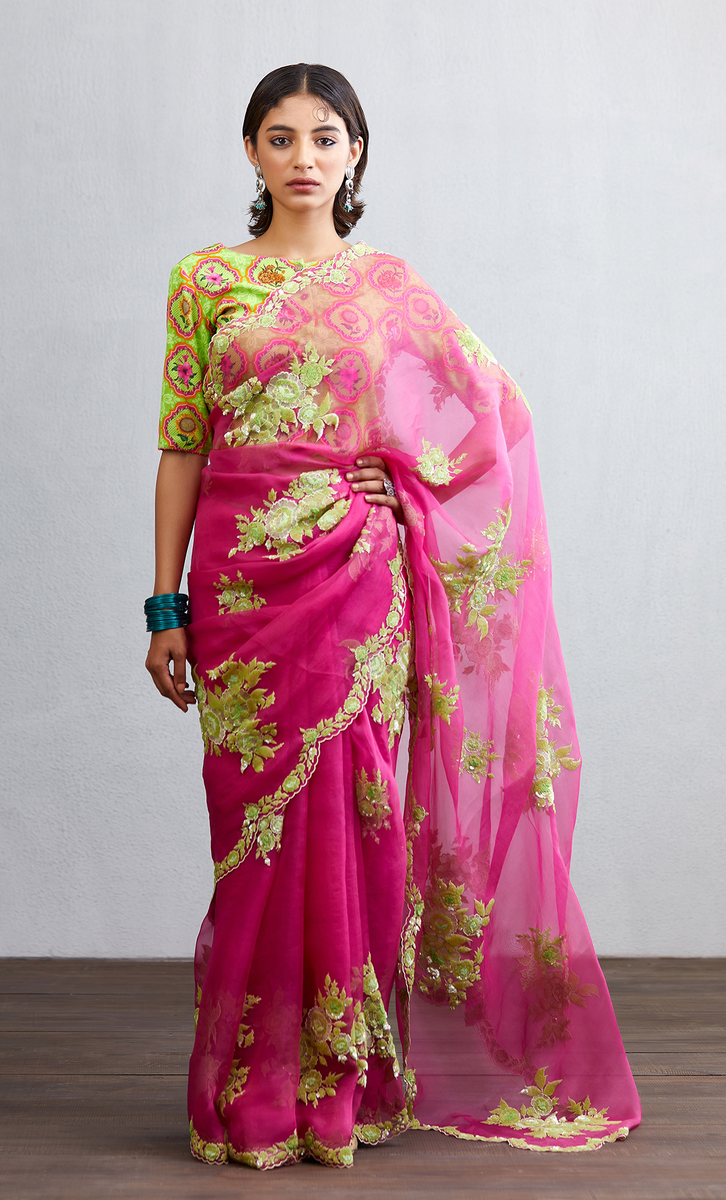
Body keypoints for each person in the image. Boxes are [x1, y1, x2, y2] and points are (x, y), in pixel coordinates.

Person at [145, 63, 641, 1170]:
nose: (304, 157)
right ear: (250, 153)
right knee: (253, 829)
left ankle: (345, 1085)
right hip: (238, 588)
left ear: (355, 152)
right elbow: (182, 442)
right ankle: (254, 1082)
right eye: (281, 137)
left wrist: (407, 481)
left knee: (356, 815)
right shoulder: (203, 281)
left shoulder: (389, 287)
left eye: (325, 137)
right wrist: (164, 602)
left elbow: (498, 413)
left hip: (356, 583)